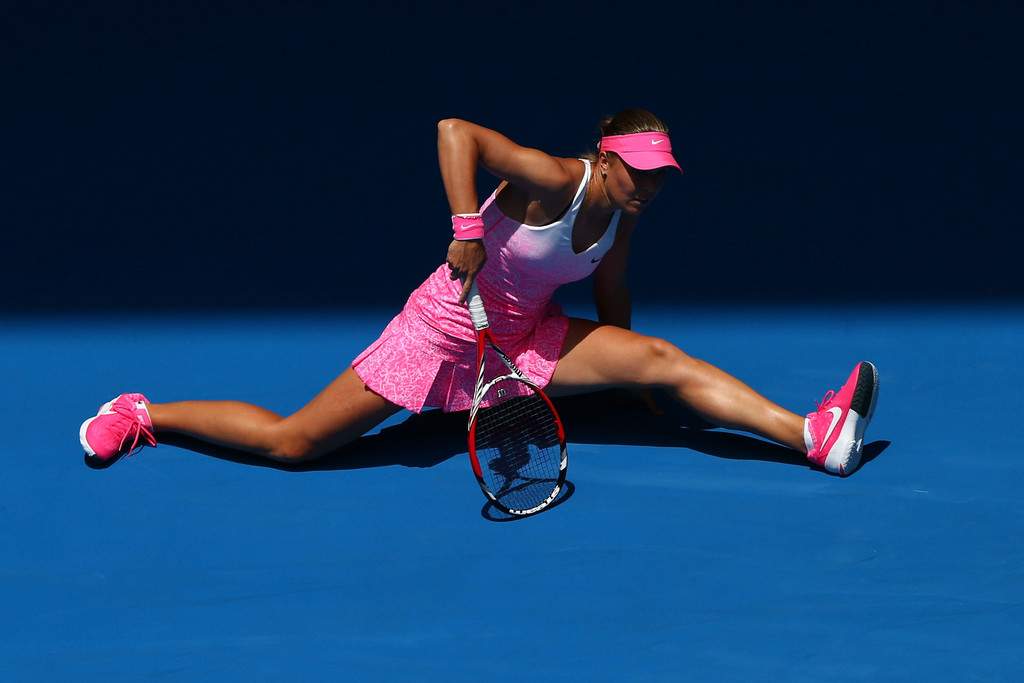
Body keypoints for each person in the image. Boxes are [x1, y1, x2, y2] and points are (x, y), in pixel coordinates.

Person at [79, 108, 878, 476]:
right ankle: (144, 412)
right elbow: (453, 131)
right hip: (439, 333)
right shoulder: (554, 177)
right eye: (639, 170)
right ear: (604, 157)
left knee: (663, 358)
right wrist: (467, 226)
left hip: (525, 336)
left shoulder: (621, 216)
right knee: (296, 444)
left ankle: (811, 434)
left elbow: (614, 291)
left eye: (659, 176)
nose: (649, 186)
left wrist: (634, 379)